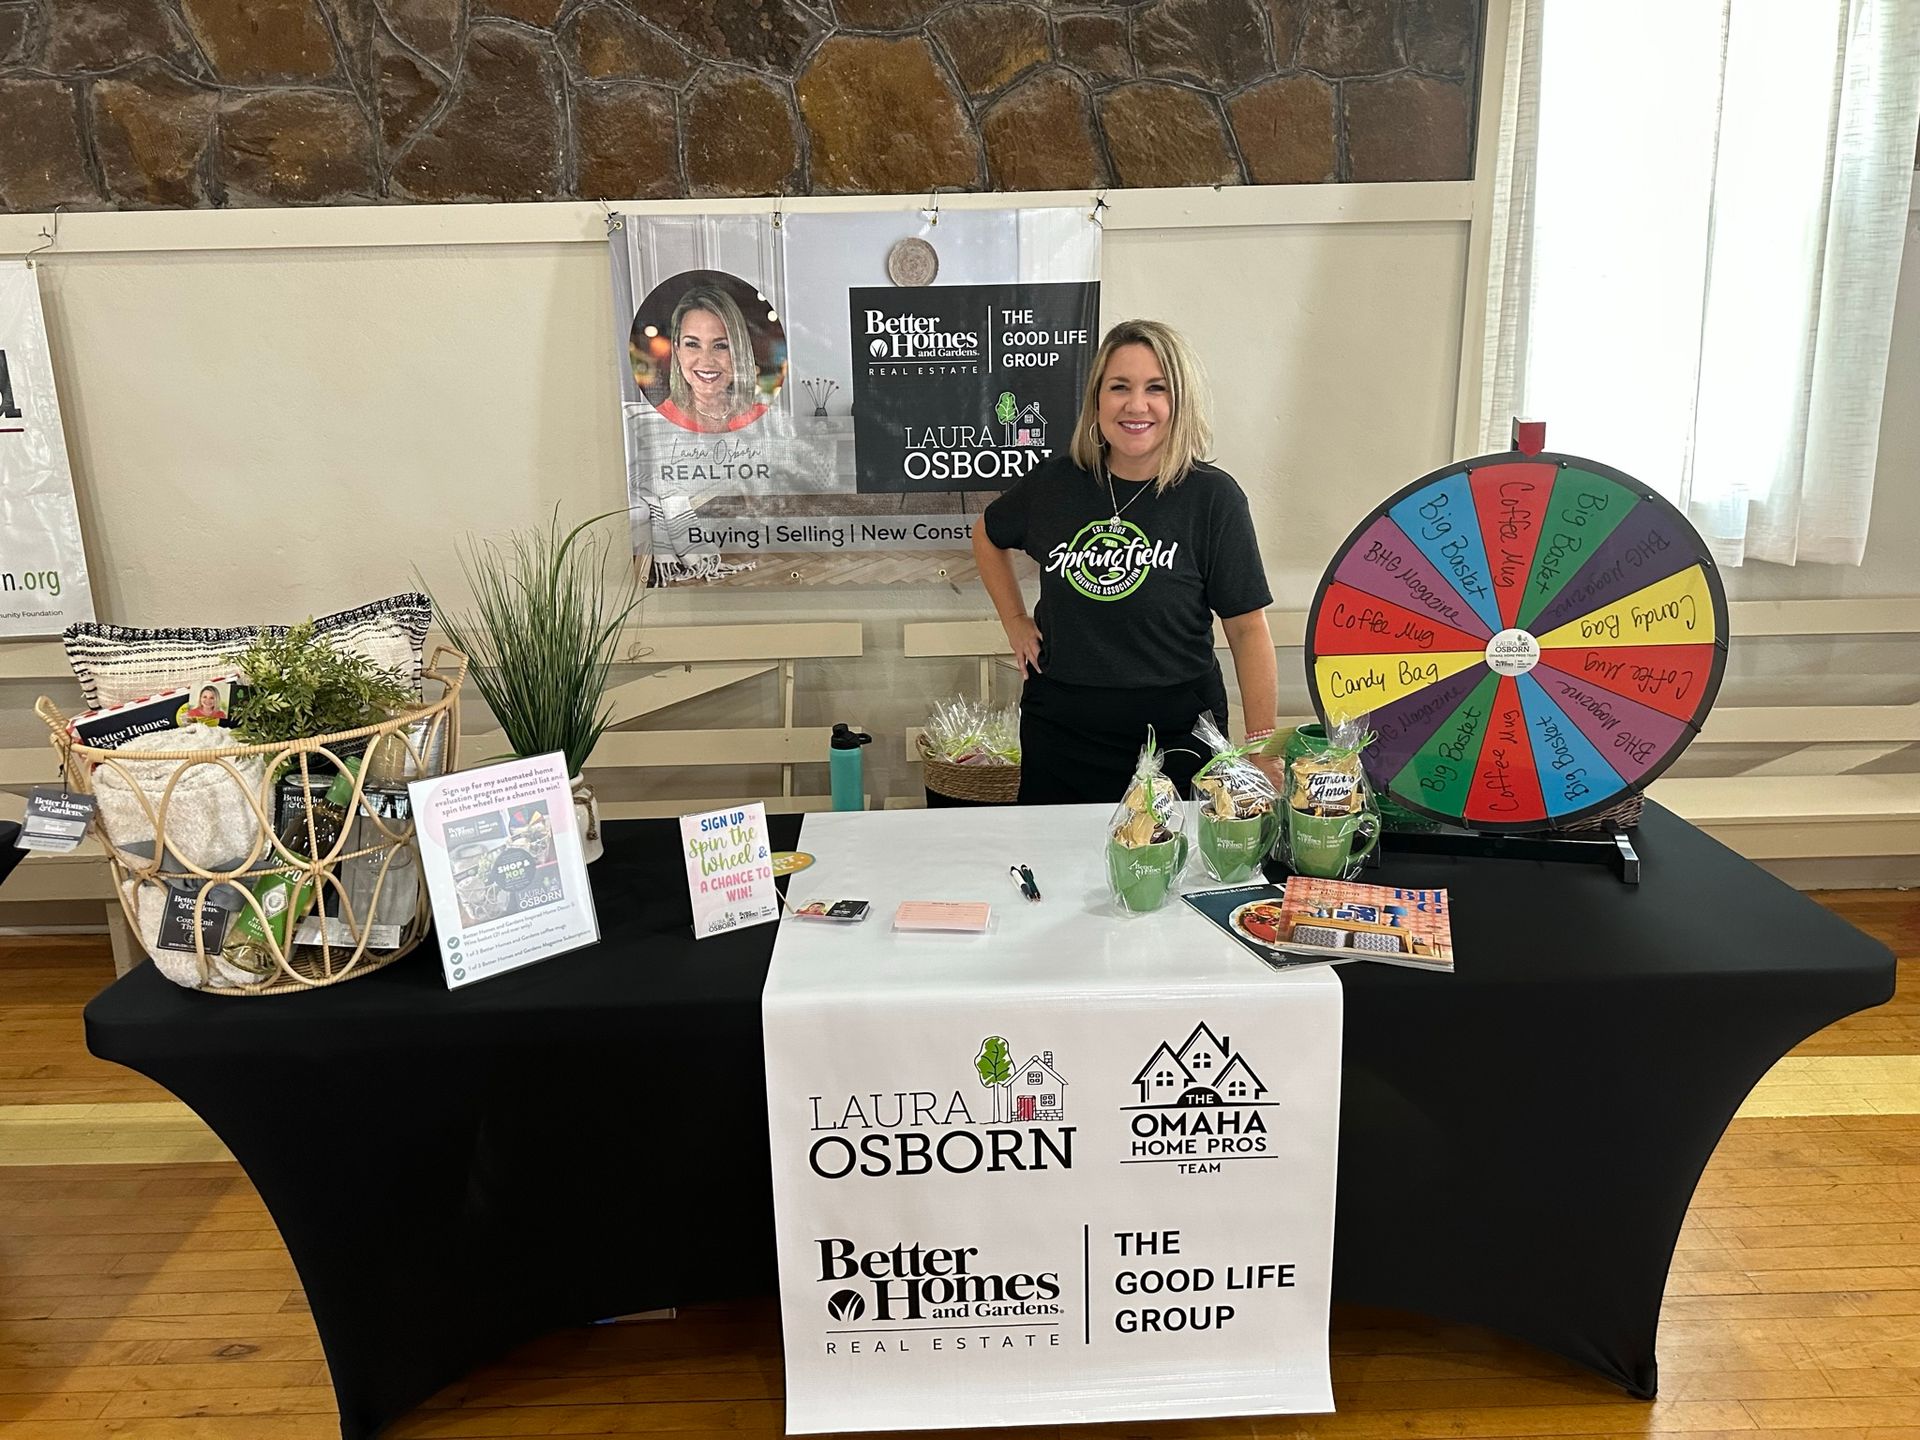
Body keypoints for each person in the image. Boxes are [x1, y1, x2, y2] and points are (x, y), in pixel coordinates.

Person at [971, 319, 1282, 804]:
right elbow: (987, 535)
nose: (1136, 405)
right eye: (1120, 387)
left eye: (1156, 388)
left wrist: (1261, 749)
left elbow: (1246, 630)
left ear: (1179, 401)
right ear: (1097, 399)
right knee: (1055, 853)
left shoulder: (1212, 498)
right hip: (1062, 732)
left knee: (1177, 856)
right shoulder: (1054, 485)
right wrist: (1013, 619)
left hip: (1181, 733)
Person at [654, 285, 769, 434]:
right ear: (677, 351)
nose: (707, 361)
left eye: (720, 346)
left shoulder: (767, 421)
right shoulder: (657, 424)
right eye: (692, 344)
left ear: (738, 351)